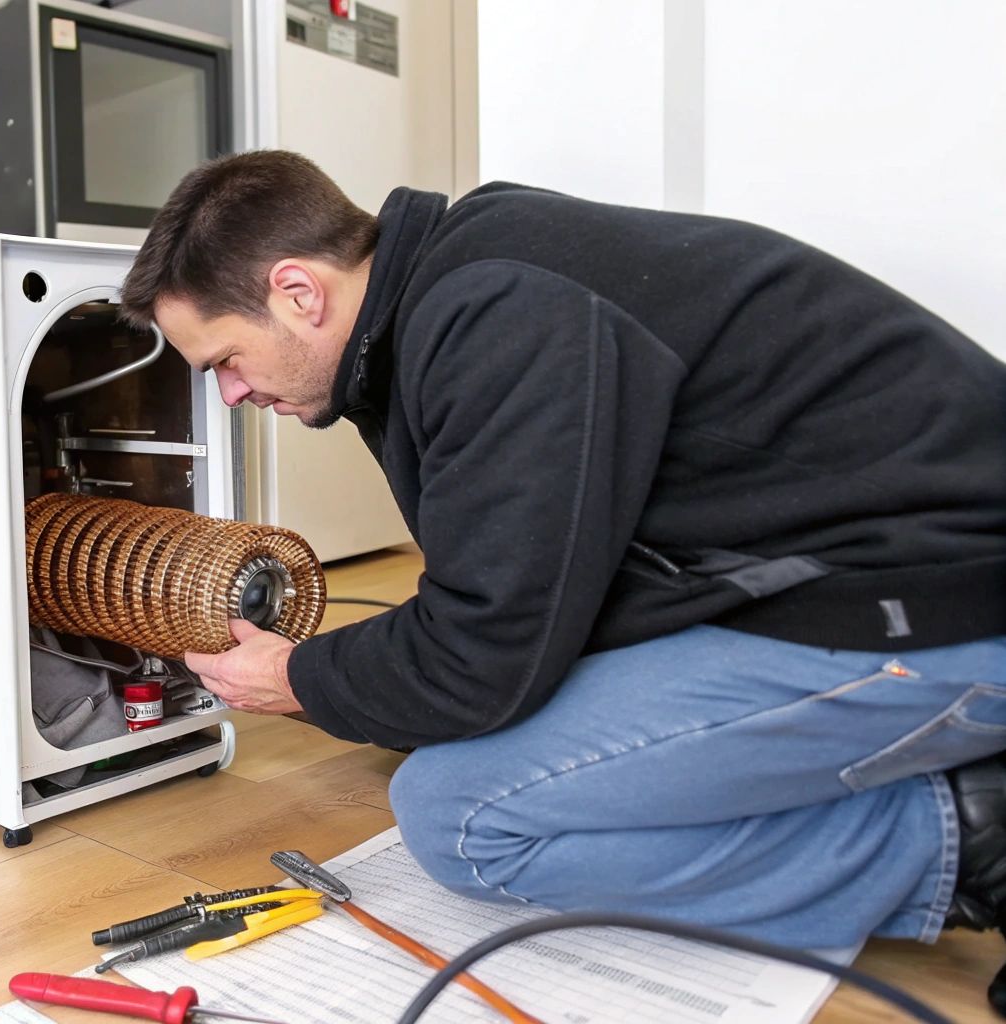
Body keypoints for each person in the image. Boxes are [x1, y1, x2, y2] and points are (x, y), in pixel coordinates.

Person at [130, 150, 1006, 958]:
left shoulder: (499, 315)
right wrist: (379, 681)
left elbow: (481, 653)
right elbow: (524, 599)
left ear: (297, 292)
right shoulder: (465, 281)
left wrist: (303, 676)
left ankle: (967, 834)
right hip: (868, 571)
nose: (230, 393)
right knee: (455, 734)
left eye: (226, 360)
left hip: (942, 604)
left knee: (459, 817)